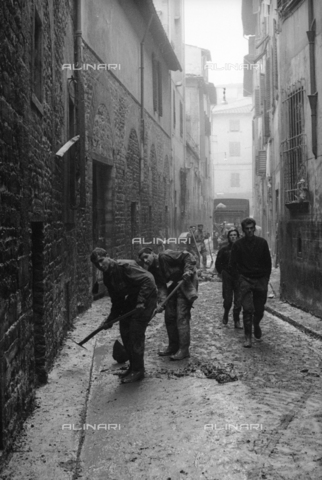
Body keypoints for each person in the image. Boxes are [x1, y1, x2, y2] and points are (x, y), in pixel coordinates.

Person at [90, 248, 157, 383]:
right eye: (97, 264)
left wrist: (141, 302)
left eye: (102, 260)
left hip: (147, 298)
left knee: (135, 332)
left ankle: (138, 370)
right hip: (133, 300)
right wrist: (110, 320)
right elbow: (117, 301)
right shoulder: (108, 277)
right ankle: (132, 367)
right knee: (124, 330)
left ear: (108, 256)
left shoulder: (125, 266)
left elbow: (148, 280)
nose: (100, 265)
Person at [138, 247, 198, 360]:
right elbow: (161, 287)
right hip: (176, 284)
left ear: (152, 253)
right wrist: (161, 303)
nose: (145, 260)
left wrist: (187, 270)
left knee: (181, 316)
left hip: (186, 281)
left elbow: (187, 256)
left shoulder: (165, 256)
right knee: (169, 316)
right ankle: (173, 346)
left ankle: (184, 350)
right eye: (143, 259)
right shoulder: (152, 270)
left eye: (146, 256)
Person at [230, 218, 272, 348]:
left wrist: (265, 279)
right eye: (247, 229)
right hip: (245, 280)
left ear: (254, 229)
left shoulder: (262, 243)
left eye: (251, 228)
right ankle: (247, 337)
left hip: (260, 280)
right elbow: (232, 265)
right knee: (247, 309)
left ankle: (256, 323)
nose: (249, 231)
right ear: (243, 230)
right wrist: (239, 279)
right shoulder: (238, 245)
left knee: (259, 310)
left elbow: (268, 263)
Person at [215, 228, 242, 329]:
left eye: (235, 235)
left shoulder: (242, 249)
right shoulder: (224, 249)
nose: (233, 237)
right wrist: (222, 272)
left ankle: (237, 320)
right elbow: (218, 263)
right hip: (228, 277)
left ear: (238, 236)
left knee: (239, 300)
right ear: (228, 237)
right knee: (228, 299)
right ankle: (226, 313)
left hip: (239, 277)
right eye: (231, 235)